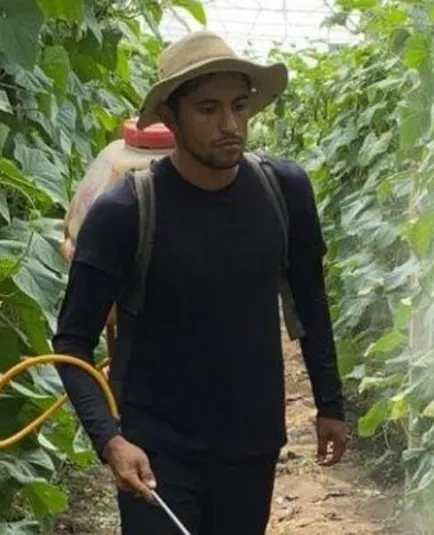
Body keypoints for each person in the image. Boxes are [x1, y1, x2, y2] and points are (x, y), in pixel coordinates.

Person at [52, 30, 348, 534]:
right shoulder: (126, 213)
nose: (229, 125)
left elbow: (311, 303)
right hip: (156, 451)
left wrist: (330, 404)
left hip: (251, 446)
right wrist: (111, 441)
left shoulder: (284, 192)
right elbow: (71, 342)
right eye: (208, 109)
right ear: (171, 118)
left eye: (239, 106)